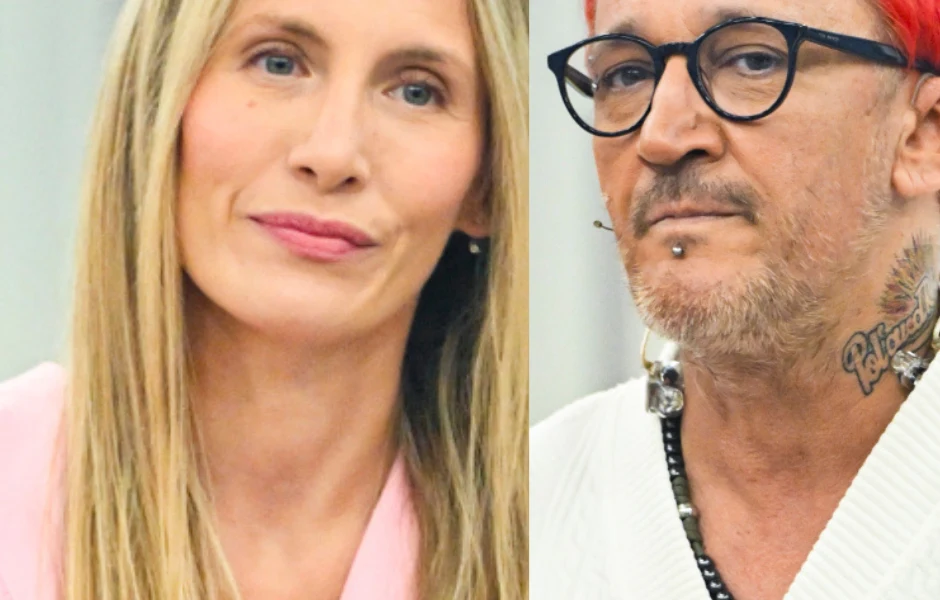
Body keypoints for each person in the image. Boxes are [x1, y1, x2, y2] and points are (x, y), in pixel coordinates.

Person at [0, 0, 528, 598]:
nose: (331, 155)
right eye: (278, 62)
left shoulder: (556, 533)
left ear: (485, 183)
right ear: (156, 104)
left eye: (416, 92)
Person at [532, 0, 940, 598]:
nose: (661, 137)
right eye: (626, 74)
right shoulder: (521, 510)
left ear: (923, 135)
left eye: (752, 60)